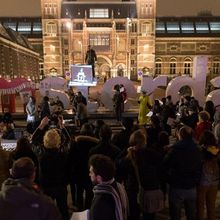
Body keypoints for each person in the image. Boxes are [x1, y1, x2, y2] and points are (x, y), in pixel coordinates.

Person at [163, 125, 202, 220]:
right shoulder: (197, 149)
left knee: (175, 214)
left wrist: (169, 179)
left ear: (180, 135)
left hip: (177, 185)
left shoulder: (175, 149)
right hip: (191, 186)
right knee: (191, 213)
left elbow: (165, 165)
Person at [89, 154, 128, 220]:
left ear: (99, 178)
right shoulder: (118, 186)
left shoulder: (100, 202)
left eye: (91, 172)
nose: (89, 174)